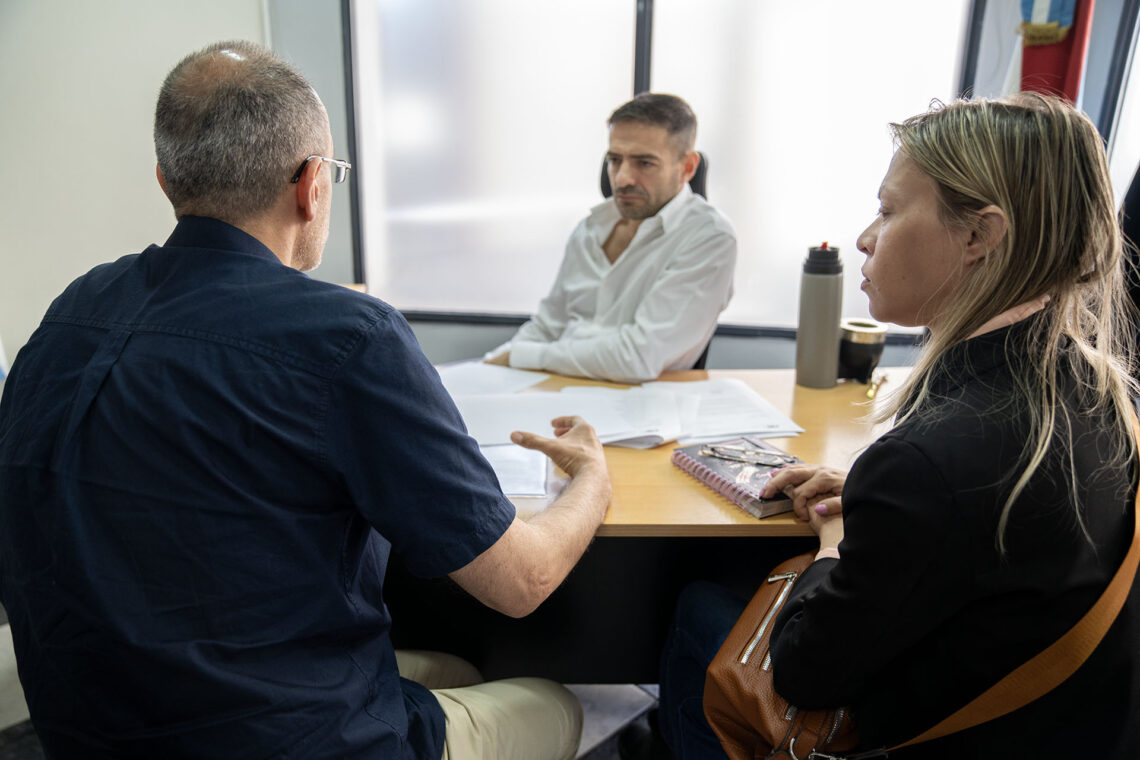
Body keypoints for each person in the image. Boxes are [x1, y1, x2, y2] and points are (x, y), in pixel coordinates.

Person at [0, 40, 612, 760]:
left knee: (453, 671)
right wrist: (593, 480)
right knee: (555, 703)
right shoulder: (350, 336)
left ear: (167, 181)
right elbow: (522, 582)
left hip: (92, 723)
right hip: (277, 738)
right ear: (312, 185)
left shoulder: (73, 308)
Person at [646, 93, 1140, 760]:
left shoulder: (932, 462)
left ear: (978, 236)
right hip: (1066, 728)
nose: (864, 238)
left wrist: (839, 532)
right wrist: (880, 500)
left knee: (701, 607)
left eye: (887, 210)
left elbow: (805, 671)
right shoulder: (1095, 388)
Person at [485, 93, 736, 384]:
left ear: (688, 167)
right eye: (615, 160)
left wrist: (526, 357)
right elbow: (547, 326)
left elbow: (638, 357)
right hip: (556, 387)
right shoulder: (590, 228)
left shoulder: (709, 236)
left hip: (638, 406)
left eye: (644, 163)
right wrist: (493, 364)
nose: (622, 178)